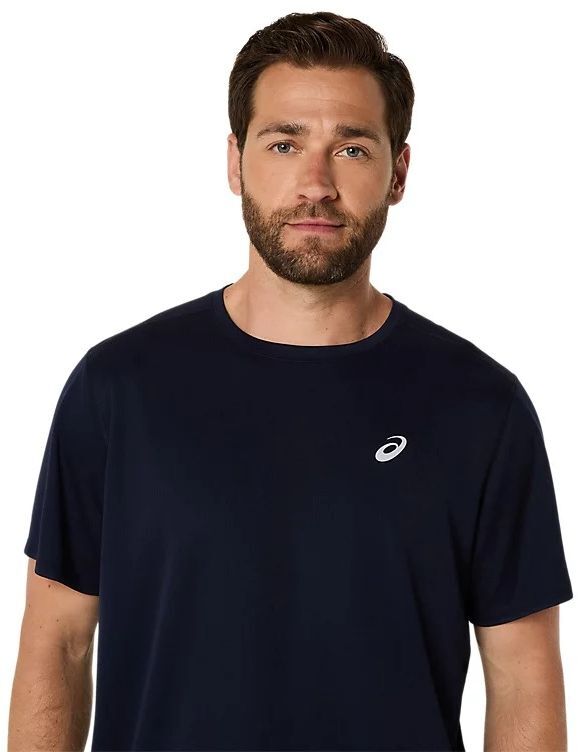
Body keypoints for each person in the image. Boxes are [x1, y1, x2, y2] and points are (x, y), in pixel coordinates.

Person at [9, 11, 573, 752]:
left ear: (399, 173)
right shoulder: (117, 390)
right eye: (284, 144)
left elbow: (524, 677)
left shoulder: (481, 407)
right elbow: (58, 644)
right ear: (235, 162)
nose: (317, 184)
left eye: (352, 147)